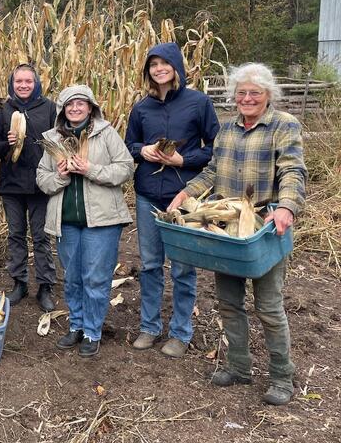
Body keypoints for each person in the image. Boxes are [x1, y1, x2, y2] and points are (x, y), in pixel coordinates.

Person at [169, 62, 306, 406]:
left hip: (265, 226)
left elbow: (292, 170)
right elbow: (213, 171)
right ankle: (239, 367)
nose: (247, 98)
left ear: (268, 95)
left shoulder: (283, 125)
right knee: (229, 302)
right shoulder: (228, 129)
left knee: (270, 307)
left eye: (254, 93)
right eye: (241, 93)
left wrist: (287, 206)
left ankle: (281, 376)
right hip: (228, 226)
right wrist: (187, 194)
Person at [124, 42, 220, 358]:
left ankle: (180, 332)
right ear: (148, 71)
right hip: (148, 195)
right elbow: (129, 145)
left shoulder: (198, 103)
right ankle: (150, 327)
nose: (159, 69)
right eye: (153, 65)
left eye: (164, 63)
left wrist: (183, 160)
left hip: (183, 196)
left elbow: (215, 149)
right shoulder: (141, 108)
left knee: (181, 267)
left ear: (176, 67)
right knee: (150, 264)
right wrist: (143, 151)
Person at [36, 85, 133, 357]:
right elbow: (42, 178)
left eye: (81, 104)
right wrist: (61, 176)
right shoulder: (52, 140)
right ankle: (76, 326)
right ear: (62, 110)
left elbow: (126, 168)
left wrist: (91, 170)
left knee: (95, 278)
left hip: (101, 222)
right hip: (66, 221)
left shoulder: (106, 134)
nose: (75, 108)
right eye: (70, 104)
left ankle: (92, 331)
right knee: (73, 278)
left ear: (91, 108)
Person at [0, 64, 58, 311]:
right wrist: (6, 145)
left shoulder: (49, 108)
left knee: (41, 237)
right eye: (19, 81)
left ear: (36, 83)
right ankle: (19, 282)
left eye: (28, 81)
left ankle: (45, 286)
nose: (24, 85)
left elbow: (60, 141)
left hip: (40, 184)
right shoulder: (5, 110)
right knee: (16, 235)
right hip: (12, 184)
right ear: (12, 83)